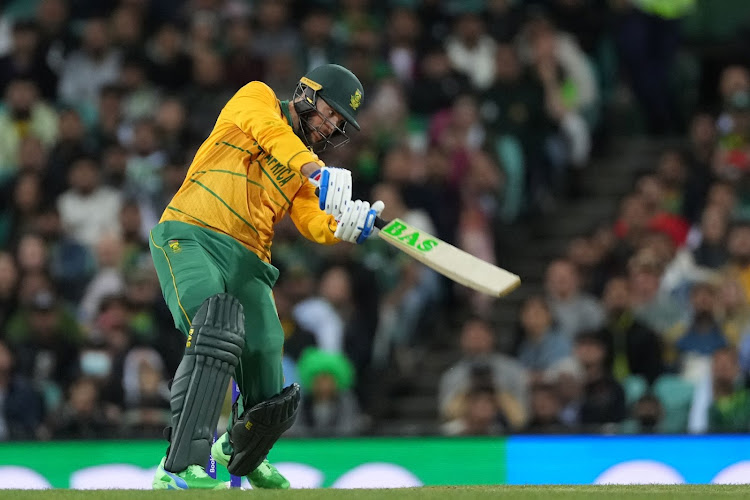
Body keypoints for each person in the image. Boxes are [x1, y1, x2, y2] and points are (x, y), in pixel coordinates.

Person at [149, 64, 383, 490]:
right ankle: (179, 467)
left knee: (266, 349)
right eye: (329, 114)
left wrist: (344, 226)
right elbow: (271, 134)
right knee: (213, 325)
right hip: (191, 233)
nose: (330, 127)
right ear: (307, 95)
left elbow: (312, 219)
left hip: (250, 262)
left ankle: (245, 454)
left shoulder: (305, 167)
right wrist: (313, 169)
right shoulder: (257, 99)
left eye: (339, 124)